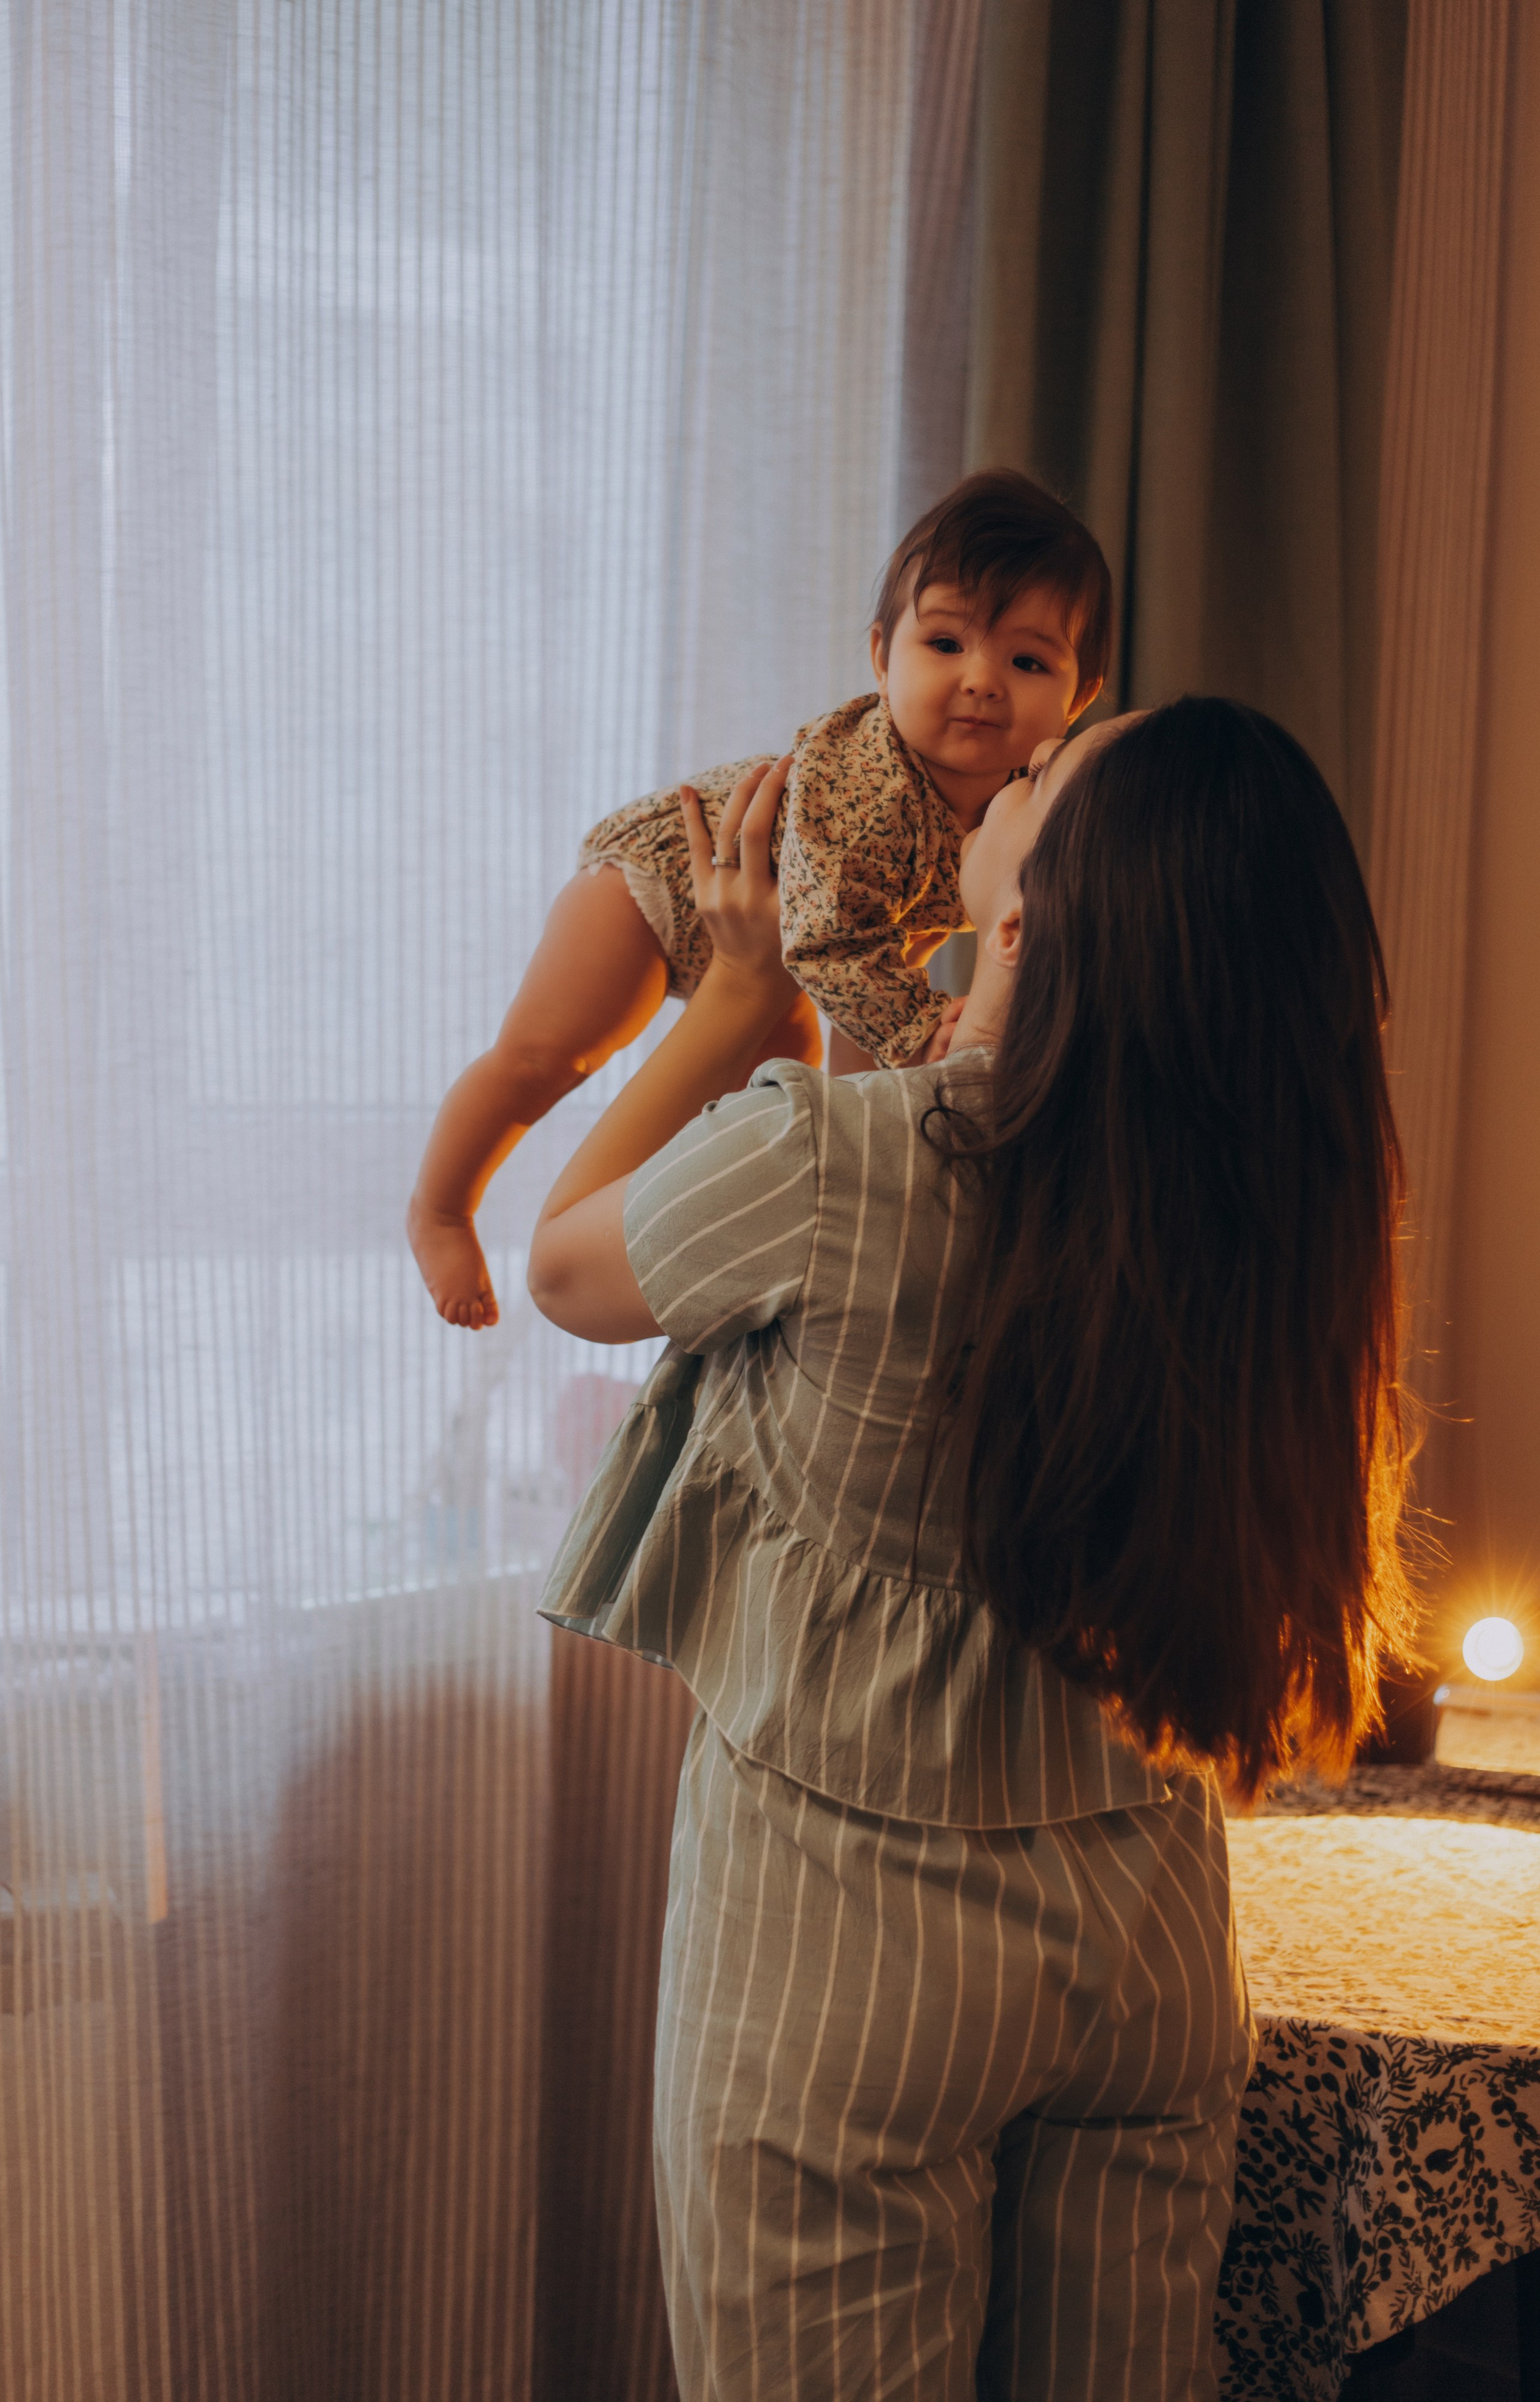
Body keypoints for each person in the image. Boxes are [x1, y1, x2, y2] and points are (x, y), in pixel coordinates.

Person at [527, 699, 1414, 2400]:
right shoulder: (1254, 1216)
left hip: (846, 1950)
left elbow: (565, 1270)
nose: (1000, 773)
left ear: (1031, 908)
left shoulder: (830, 1158)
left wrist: (727, 1011)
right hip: (1145, 1932)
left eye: (1038, 779)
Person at [408, 470, 1109, 1329]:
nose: (983, 680)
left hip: (783, 954)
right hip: (656, 888)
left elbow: (863, 965)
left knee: (776, 1086)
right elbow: (827, 942)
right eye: (946, 645)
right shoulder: (874, 790)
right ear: (882, 656)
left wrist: (893, 1092)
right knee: (545, 1058)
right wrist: (918, 1029)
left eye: (1027, 660)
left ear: (1078, 699)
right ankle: (442, 1206)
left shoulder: (1010, 812)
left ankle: (711, 1236)